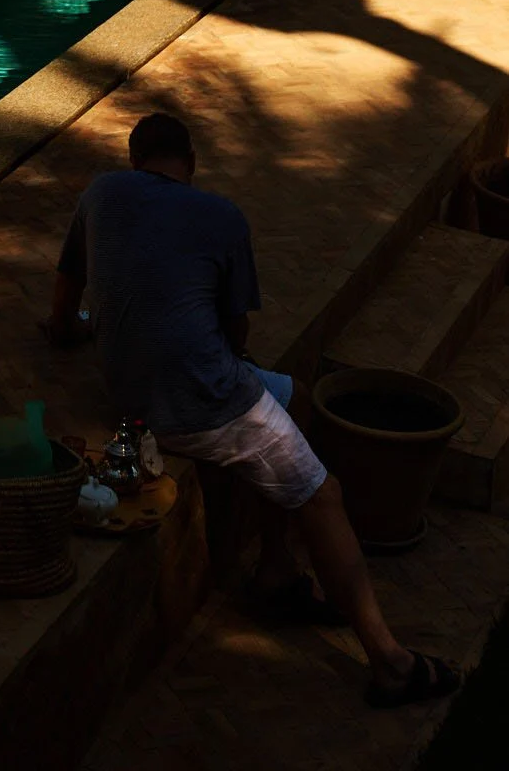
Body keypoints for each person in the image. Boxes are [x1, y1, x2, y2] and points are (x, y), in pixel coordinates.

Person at [48, 111, 461, 709]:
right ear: (189, 162)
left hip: (131, 391)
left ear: (136, 159)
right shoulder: (221, 216)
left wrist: (64, 332)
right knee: (324, 495)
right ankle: (389, 660)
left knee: (294, 396)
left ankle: (277, 569)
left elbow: (65, 291)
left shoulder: (102, 192)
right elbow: (236, 326)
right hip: (200, 405)